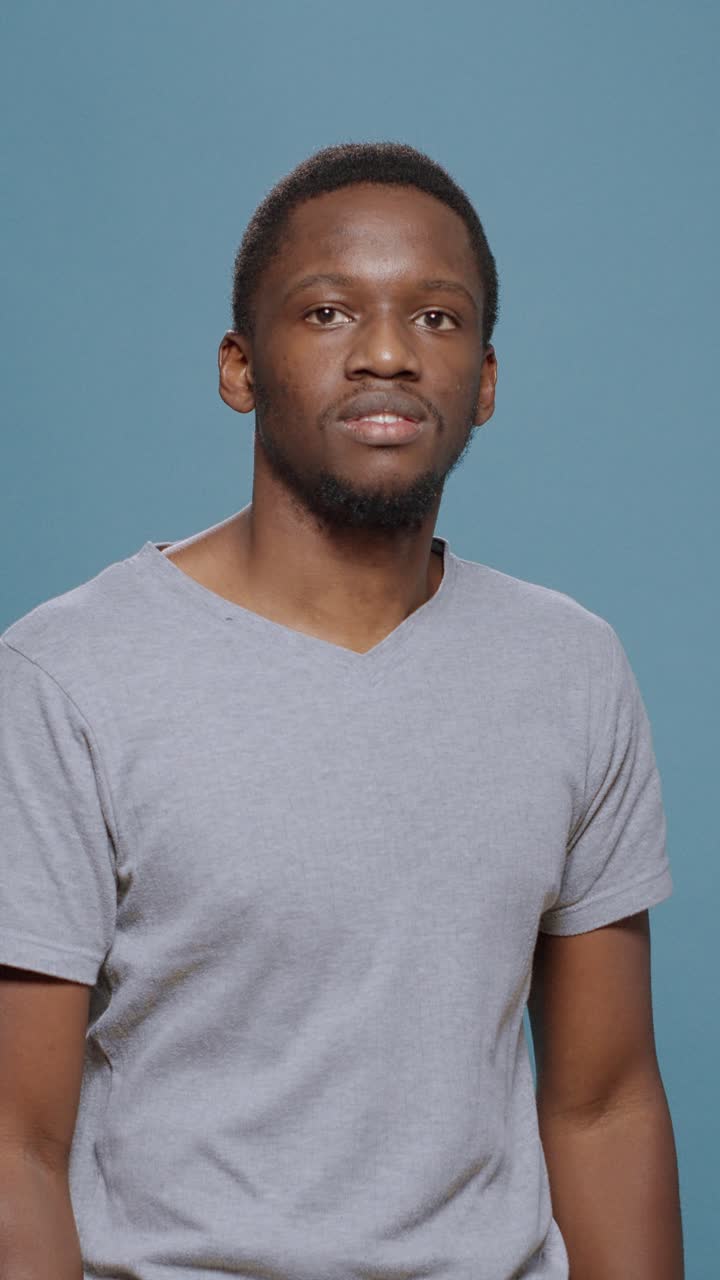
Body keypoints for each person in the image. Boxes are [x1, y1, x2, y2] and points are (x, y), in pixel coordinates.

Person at [0, 141, 684, 1280]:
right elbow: (15, 1140)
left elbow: (606, 1103)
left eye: (437, 319)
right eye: (327, 312)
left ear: (488, 379)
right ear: (240, 366)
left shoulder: (570, 665)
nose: (387, 354)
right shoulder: (69, 672)